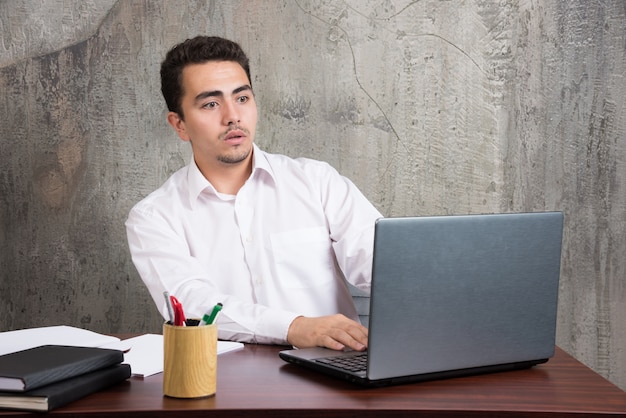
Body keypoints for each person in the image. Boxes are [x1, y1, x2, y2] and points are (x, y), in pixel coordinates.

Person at [125, 36, 382, 351]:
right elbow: (195, 304)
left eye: (242, 98)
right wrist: (295, 328)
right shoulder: (154, 217)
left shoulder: (317, 182)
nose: (232, 116)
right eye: (210, 103)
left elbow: (386, 266)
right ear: (179, 125)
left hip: (336, 372)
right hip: (222, 383)